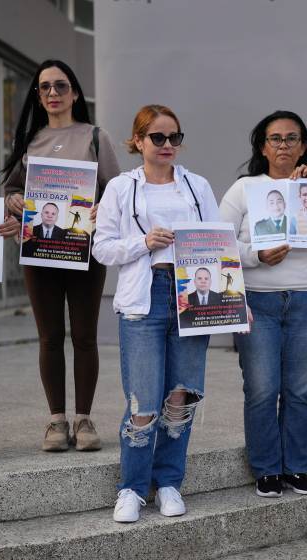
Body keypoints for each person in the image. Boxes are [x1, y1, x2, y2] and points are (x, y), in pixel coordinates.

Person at [93, 104, 220, 523]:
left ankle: (168, 481)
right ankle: (131, 487)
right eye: (158, 138)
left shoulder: (197, 186)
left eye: (175, 138)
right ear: (139, 141)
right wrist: (143, 243)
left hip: (193, 298)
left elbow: (218, 246)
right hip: (144, 297)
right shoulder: (119, 188)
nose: (167, 145)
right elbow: (102, 247)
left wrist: (233, 302)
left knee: (180, 397)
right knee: (143, 400)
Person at [220, 110, 307, 498]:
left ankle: (295, 467)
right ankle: (266, 469)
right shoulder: (244, 189)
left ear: (303, 146)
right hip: (259, 300)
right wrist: (257, 256)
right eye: (275, 138)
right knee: (262, 388)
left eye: (291, 138)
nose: (283, 145)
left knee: (298, 389)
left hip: (306, 299)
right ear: (263, 145)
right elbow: (219, 243)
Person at [1, 59, 121, 452]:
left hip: (85, 252)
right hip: (40, 252)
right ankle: (56, 421)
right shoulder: (28, 140)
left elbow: (116, 191)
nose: (53, 93)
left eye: (61, 86)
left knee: (84, 337)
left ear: (74, 92)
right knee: (49, 337)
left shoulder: (95, 136)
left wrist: (103, 207)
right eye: (45, 87)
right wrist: (13, 199)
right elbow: (10, 191)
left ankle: (84, 419)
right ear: (38, 95)